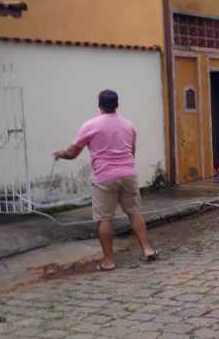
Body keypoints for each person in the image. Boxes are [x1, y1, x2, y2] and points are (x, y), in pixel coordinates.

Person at [53, 89, 158, 270]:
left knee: (104, 219)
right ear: (117, 105)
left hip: (104, 178)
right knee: (134, 212)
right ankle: (147, 249)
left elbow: (72, 153)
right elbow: (131, 152)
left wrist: (60, 154)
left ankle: (108, 261)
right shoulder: (129, 126)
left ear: (99, 105)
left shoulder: (90, 126)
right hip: (128, 174)